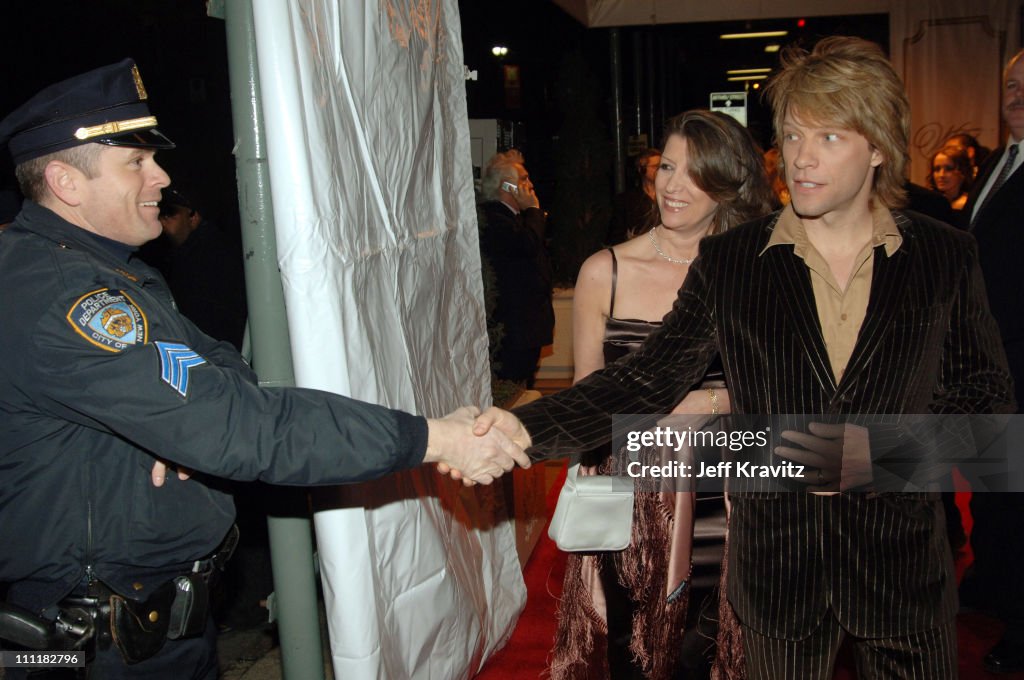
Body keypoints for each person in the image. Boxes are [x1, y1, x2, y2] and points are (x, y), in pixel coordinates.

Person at [474, 37, 1014, 679]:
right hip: (776, 583)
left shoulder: (944, 257)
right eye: (791, 136)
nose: (802, 160)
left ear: (878, 147)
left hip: (901, 579)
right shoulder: (734, 262)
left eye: (829, 138)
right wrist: (524, 429)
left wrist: (866, 456)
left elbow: (990, 428)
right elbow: (644, 379)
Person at [0, 59, 529, 678]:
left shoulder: (111, 272)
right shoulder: (63, 295)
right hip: (90, 648)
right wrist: (435, 438)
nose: (161, 177)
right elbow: (244, 428)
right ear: (66, 181)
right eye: (136, 162)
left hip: (153, 628)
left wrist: (182, 418)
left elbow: (222, 367)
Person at [550, 110, 772, 679]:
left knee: (715, 646)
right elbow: (587, 395)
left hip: (729, 495)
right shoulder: (607, 270)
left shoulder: (755, 271)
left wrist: (714, 402)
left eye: (696, 174)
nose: (674, 186)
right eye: (667, 166)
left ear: (729, 183)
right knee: (634, 646)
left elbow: (780, 390)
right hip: (634, 494)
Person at [961, 47, 1024, 675]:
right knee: (991, 487)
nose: (1016, 94)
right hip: (986, 365)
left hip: (1018, 360)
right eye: (1010, 84)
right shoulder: (997, 162)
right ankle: (991, 581)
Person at [478, 149, 554, 389]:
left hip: (527, 329)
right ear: (506, 186)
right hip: (513, 331)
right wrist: (533, 209)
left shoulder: (515, 218)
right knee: (514, 391)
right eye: (523, 179)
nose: (530, 185)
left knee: (526, 386)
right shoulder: (494, 218)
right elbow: (526, 246)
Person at [137, 186, 248, 350]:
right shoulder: (168, 256)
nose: (162, 222)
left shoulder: (213, 258)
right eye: (159, 215)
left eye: (169, 215)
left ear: (193, 217)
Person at [605, 148, 661, 245]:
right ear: (641, 169)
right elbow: (616, 234)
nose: (659, 170)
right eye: (655, 166)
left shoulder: (670, 195)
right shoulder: (627, 200)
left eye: (662, 166)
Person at [925, 144, 972, 211]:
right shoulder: (934, 201)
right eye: (937, 169)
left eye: (949, 169)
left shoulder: (964, 203)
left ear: (962, 171)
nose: (941, 175)